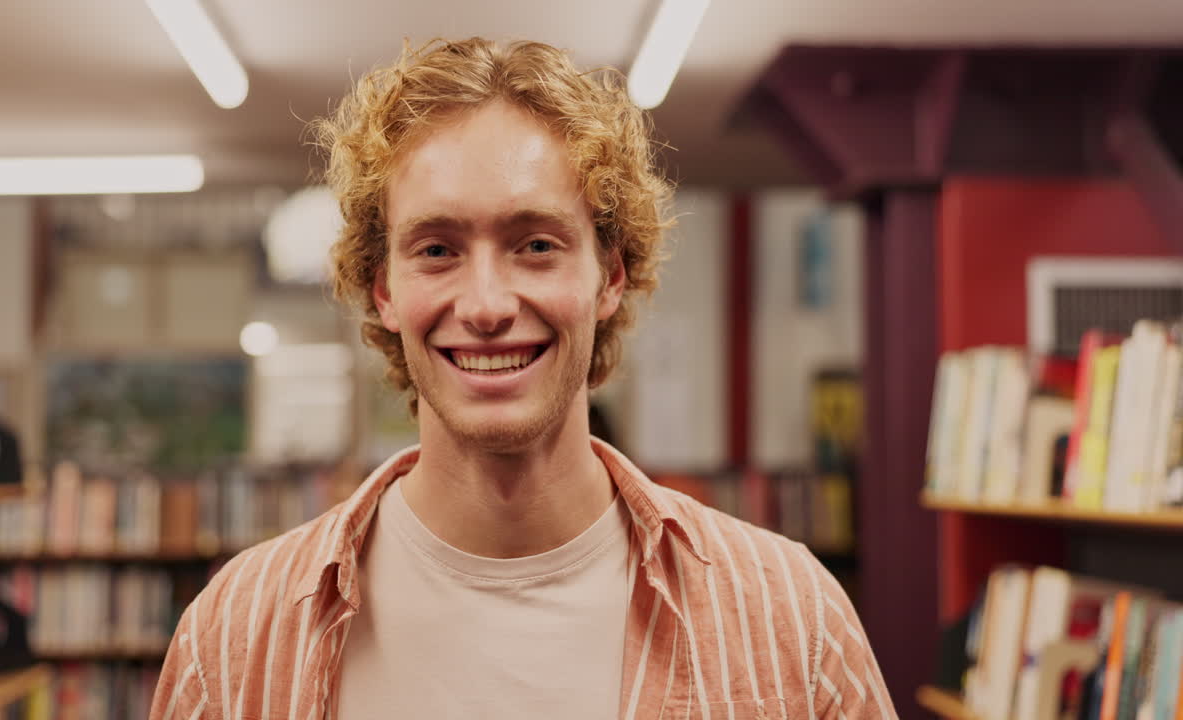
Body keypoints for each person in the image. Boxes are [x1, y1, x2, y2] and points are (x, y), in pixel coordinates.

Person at [151, 37, 896, 720]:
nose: (486, 306)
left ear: (610, 276)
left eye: (536, 244)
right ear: (384, 291)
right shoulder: (233, 639)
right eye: (437, 250)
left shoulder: (794, 622)